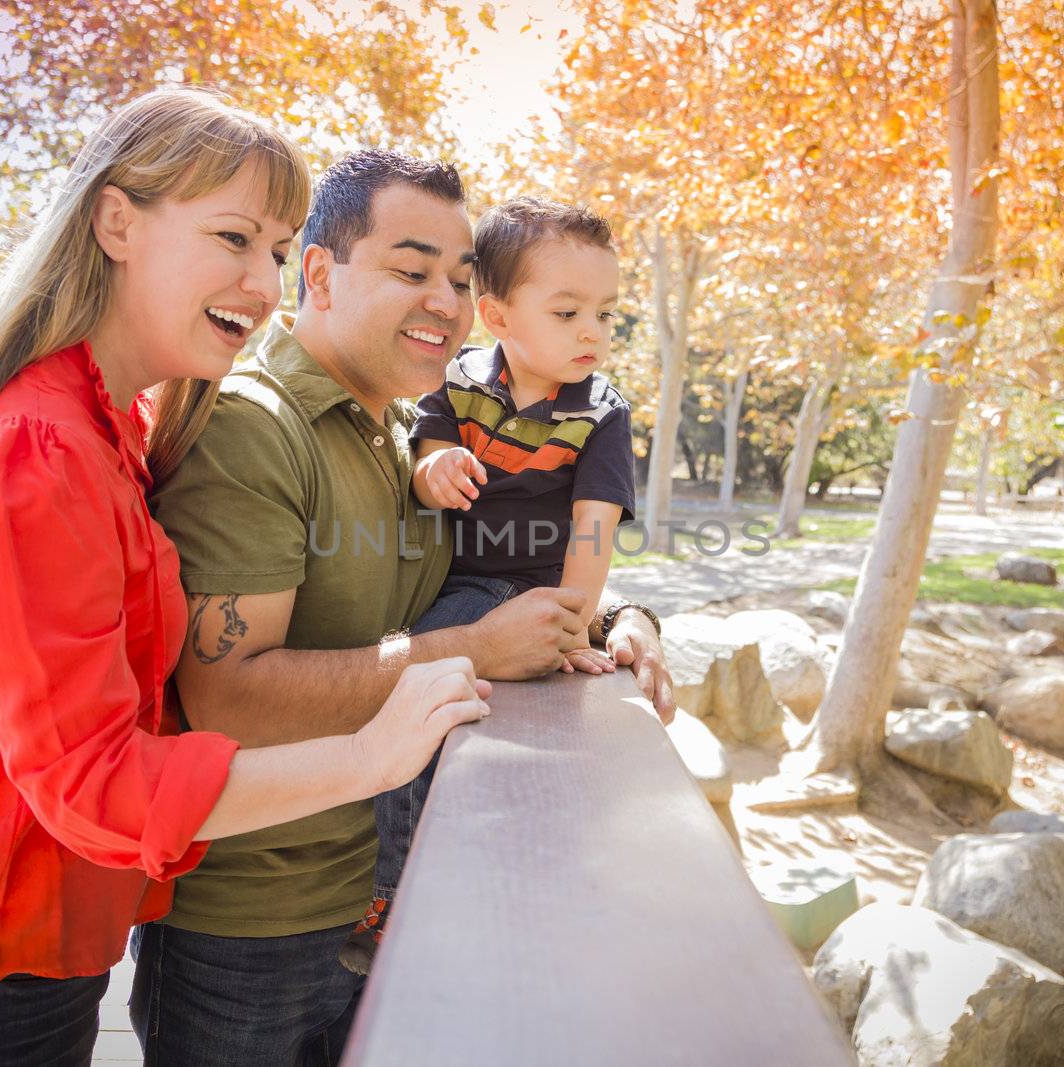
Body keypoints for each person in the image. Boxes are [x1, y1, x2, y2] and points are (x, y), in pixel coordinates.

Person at [0, 91, 488, 1067]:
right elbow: (90, 780)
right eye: (232, 237)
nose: (262, 283)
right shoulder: (41, 444)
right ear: (115, 221)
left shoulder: (111, 425)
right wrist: (373, 752)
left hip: (45, 936)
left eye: (275, 246)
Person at [134, 149, 673, 1065]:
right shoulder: (252, 428)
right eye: (410, 269)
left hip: (397, 910)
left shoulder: (405, 428)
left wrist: (620, 617)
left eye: (460, 280)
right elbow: (228, 696)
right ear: (319, 273)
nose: (446, 302)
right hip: (256, 933)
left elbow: (492, 568)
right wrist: (476, 648)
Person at [338, 196, 636, 974]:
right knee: (418, 693)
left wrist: (572, 623)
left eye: (606, 313)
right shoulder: (461, 379)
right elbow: (430, 441)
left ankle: (393, 890)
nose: (593, 333)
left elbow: (593, 527)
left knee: (417, 694)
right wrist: (432, 466)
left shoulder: (600, 413)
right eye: (568, 311)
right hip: (445, 579)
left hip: (511, 592)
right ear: (498, 316)